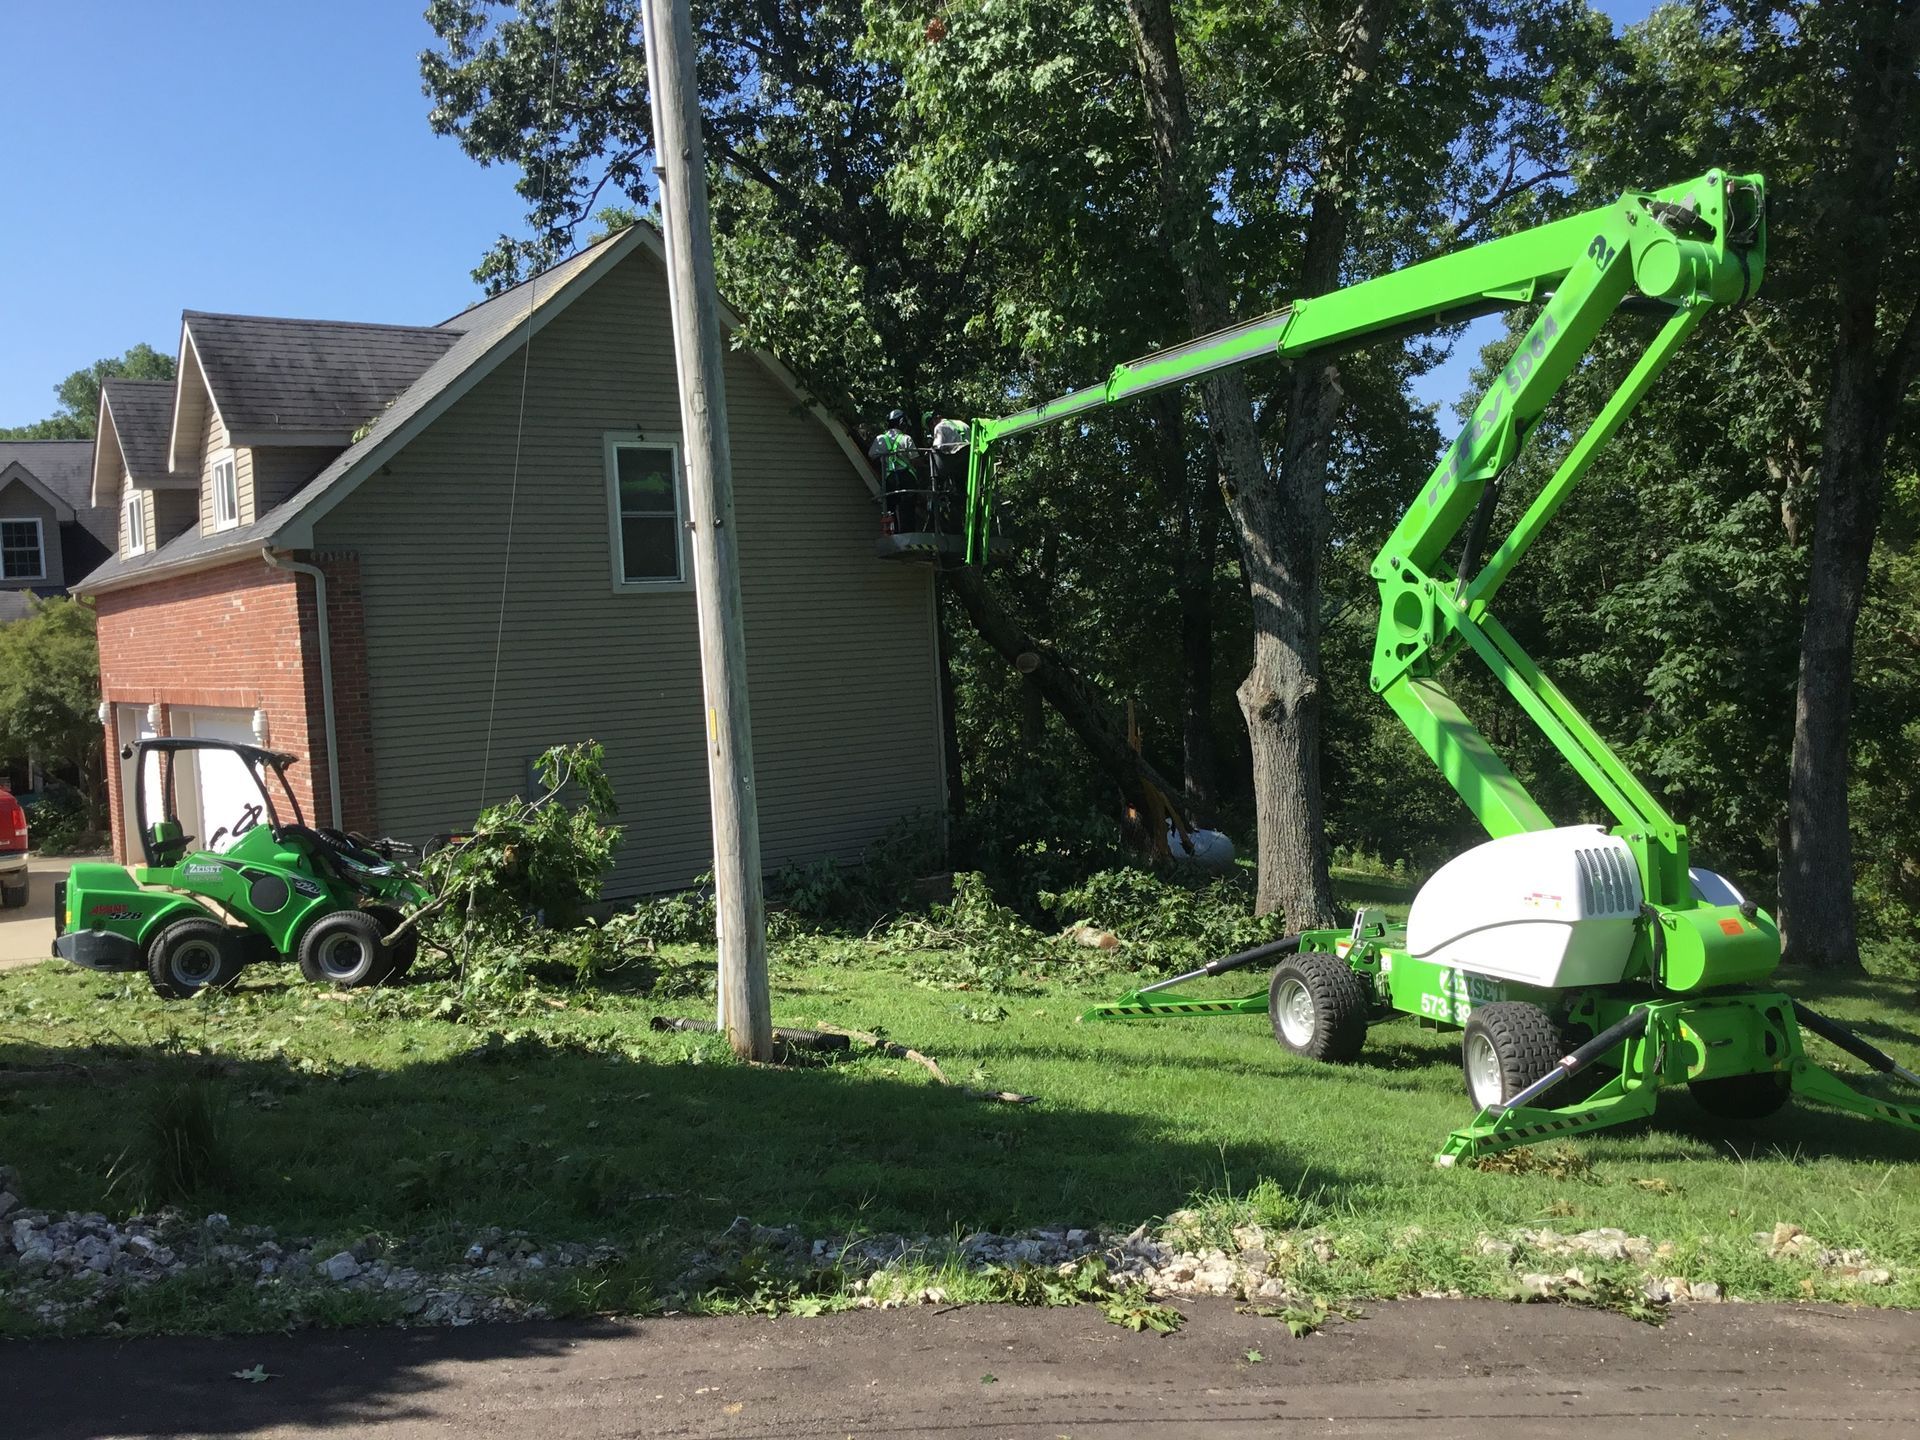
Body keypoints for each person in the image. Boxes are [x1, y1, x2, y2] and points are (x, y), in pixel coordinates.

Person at [867, 409, 922, 532]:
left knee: (890, 507)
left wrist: (884, 462)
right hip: (907, 478)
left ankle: (894, 531)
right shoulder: (906, 438)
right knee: (908, 508)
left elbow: (872, 456)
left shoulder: (880, 439)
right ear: (902, 423)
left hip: (890, 479)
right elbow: (915, 460)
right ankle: (908, 532)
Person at [928, 410, 970, 534]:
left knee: (945, 491)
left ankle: (949, 519)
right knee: (962, 493)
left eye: (931, 424)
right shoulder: (963, 424)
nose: (932, 427)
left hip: (952, 465)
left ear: (935, 419)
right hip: (968, 465)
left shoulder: (940, 427)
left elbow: (938, 447)